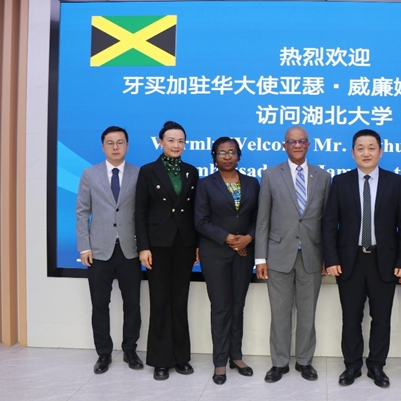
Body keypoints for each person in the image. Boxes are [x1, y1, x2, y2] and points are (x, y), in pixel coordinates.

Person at [323, 129, 401, 388]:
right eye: (360, 148)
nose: (366, 153)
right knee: (351, 317)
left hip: (384, 261)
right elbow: (329, 225)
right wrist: (331, 258)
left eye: (371, 147)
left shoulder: (395, 182)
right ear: (353, 153)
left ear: (380, 152)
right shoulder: (341, 182)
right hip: (348, 261)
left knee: (381, 318)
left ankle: (376, 366)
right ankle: (352, 365)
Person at [255, 126, 331, 383]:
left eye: (302, 141)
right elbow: (262, 219)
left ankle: (305, 361)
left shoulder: (323, 177)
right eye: (292, 142)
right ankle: (279, 363)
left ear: (308, 144)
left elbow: (327, 222)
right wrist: (260, 258)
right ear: (284, 145)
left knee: (308, 314)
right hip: (278, 255)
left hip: (312, 255)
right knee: (280, 313)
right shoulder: (270, 175)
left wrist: (328, 257)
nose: (297, 145)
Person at [76, 126, 143, 374]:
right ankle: (103, 353)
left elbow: (143, 213)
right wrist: (84, 246)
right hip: (98, 251)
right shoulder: (89, 174)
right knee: (100, 304)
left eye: (120, 142)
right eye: (110, 143)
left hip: (129, 250)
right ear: (103, 146)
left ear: (127, 145)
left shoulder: (139, 174)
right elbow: (82, 212)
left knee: (132, 304)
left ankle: (130, 350)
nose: (115, 147)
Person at [135, 121, 199, 381]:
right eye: (171, 140)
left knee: (180, 301)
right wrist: (143, 247)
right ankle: (161, 360)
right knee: (160, 301)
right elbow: (139, 211)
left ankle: (181, 357)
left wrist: (196, 245)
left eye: (180, 141)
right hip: (157, 245)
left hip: (184, 244)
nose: (176, 145)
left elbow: (194, 212)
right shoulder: (148, 171)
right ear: (160, 142)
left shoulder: (191, 171)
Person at [195, 137, 260, 385]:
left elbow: (259, 217)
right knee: (221, 307)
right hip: (215, 254)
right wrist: (228, 238)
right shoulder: (205, 184)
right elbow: (200, 220)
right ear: (214, 157)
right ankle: (220, 361)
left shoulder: (252, 183)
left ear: (239, 155)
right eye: (222, 152)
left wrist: (249, 237)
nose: (227, 156)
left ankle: (236, 356)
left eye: (232, 152)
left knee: (237, 305)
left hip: (244, 253)